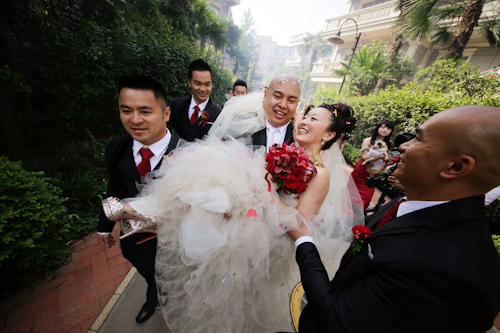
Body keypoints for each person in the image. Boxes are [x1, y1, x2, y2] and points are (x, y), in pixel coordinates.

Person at [103, 102, 364, 332]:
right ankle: (147, 214)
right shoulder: (287, 150)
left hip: (262, 238)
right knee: (210, 174)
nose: (304, 121)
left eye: (314, 119)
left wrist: (265, 193)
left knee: (220, 291)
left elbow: (298, 223)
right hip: (250, 212)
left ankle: (149, 217)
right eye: (305, 116)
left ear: (329, 134)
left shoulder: (320, 174)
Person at [288, 105, 500, 332]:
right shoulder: (407, 205)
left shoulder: (448, 274)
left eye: (418, 139)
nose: (403, 146)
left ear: (456, 166)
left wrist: (304, 239)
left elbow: (336, 317)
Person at [96, 75, 181, 323]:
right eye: (126, 111)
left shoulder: (189, 152)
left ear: (166, 113)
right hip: (133, 235)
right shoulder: (116, 147)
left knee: (177, 279)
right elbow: (115, 184)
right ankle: (153, 296)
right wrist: (104, 226)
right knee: (148, 272)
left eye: (145, 111)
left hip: (177, 241)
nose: (135, 120)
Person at [210, 74, 299, 150]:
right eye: (277, 96)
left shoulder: (300, 136)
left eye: (291, 101)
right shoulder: (241, 125)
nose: (283, 105)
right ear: (265, 95)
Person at [169, 58, 222, 142]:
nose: (203, 89)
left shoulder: (218, 114)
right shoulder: (177, 104)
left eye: (207, 84)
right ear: (189, 83)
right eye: (198, 83)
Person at [351, 120, 395, 210]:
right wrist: (381, 156)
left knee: (366, 198)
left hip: (373, 175)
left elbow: (386, 162)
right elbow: (364, 157)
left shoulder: (389, 145)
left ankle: (355, 219)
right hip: (361, 172)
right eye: (382, 127)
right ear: (378, 127)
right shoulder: (368, 140)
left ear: (391, 131)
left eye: (388, 128)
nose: (385, 130)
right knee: (351, 194)